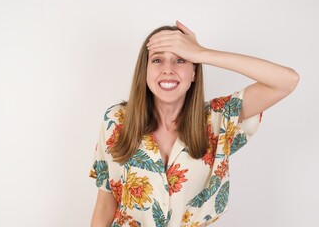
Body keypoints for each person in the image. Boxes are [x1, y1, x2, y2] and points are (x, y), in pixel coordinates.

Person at [89, 21, 299, 227]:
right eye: (157, 60)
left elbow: (287, 81)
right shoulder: (117, 120)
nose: (168, 69)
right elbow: (105, 207)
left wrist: (201, 53)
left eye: (180, 60)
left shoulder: (217, 120)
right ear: (144, 71)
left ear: (194, 73)